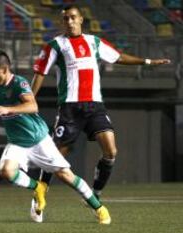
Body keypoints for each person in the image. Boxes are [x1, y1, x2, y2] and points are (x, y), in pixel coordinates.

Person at [30, 5, 171, 221]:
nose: (69, 21)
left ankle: (95, 193)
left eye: (73, 17)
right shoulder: (55, 45)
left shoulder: (94, 42)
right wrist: (29, 100)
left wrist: (148, 62)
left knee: (111, 150)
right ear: (61, 22)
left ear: (81, 20)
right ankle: (40, 196)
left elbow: (118, 57)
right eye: (65, 18)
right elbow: (40, 73)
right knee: (56, 156)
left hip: (95, 106)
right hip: (70, 107)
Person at [0, 49, 111, 224]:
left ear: (4, 69)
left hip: (38, 139)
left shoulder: (19, 83)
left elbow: (33, 106)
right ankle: (38, 187)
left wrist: (9, 109)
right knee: (6, 171)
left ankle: (99, 209)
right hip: (17, 142)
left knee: (66, 175)